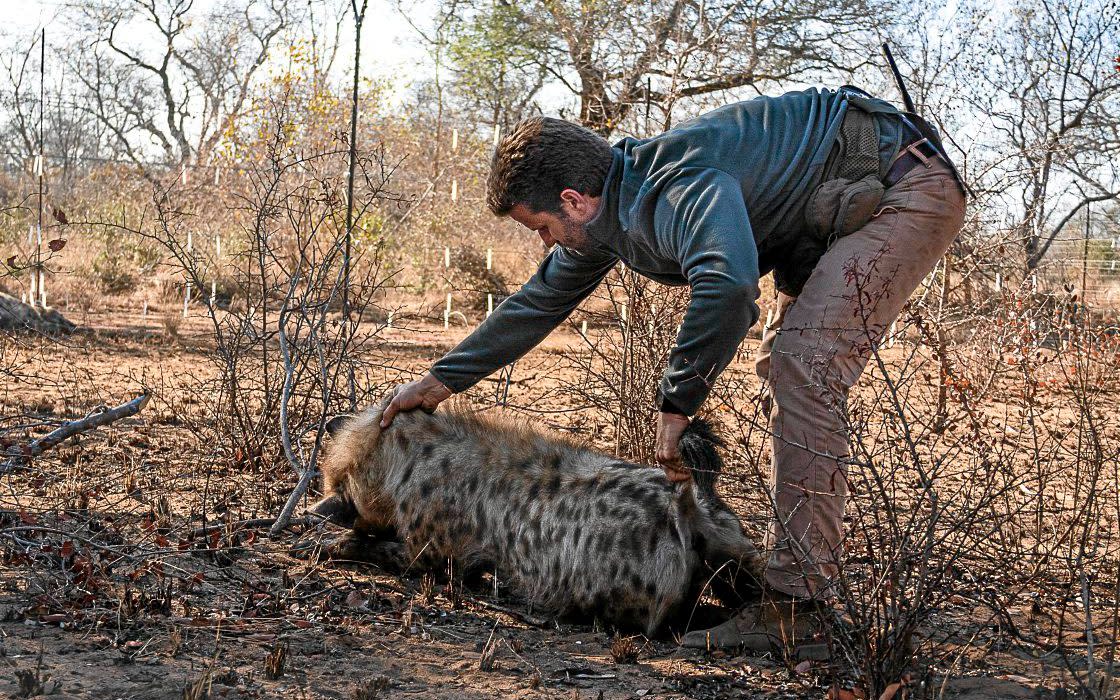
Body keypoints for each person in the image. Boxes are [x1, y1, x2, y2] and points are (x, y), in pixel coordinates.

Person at [378, 86, 966, 652]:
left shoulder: (673, 184)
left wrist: (677, 401)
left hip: (901, 187)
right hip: (848, 199)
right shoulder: (613, 207)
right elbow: (538, 301)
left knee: (803, 370)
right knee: (786, 372)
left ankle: (799, 609)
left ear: (572, 201)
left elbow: (729, 286)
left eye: (541, 229)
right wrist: (439, 381)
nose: (545, 244)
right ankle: (786, 579)